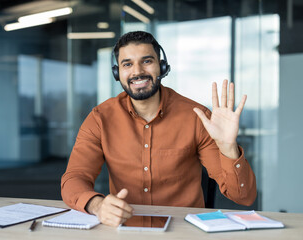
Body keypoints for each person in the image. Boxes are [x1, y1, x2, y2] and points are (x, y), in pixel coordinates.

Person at [61, 31, 257, 227]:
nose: (137, 71)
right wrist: (97, 205)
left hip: (183, 233)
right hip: (125, 231)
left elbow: (243, 197)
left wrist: (228, 147)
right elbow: (74, 179)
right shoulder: (100, 118)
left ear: (162, 66)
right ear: (117, 72)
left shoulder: (196, 117)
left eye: (147, 61)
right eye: (127, 64)